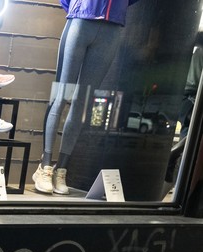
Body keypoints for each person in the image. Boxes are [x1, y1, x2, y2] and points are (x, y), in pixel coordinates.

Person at [34, 0, 140, 196]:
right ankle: (44, 166)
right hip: (81, 20)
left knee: (81, 103)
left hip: (112, 29)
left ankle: (61, 169)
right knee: (61, 96)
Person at [165, 32, 203, 183]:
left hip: (192, 100)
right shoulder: (201, 53)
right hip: (191, 99)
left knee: (190, 140)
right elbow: (191, 85)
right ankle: (179, 176)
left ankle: (180, 177)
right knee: (191, 140)